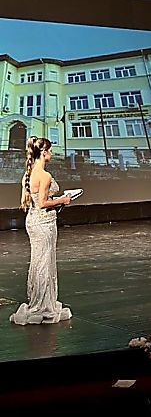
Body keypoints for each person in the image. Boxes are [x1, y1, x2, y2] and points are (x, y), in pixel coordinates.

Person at [10, 136, 73, 325]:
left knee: (39, 261)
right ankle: (43, 305)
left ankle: (37, 300)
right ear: (43, 152)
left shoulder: (27, 174)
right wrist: (63, 200)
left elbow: (27, 202)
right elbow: (43, 203)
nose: (51, 153)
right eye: (50, 150)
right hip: (44, 223)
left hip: (32, 221)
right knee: (44, 262)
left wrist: (53, 202)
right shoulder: (44, 176)